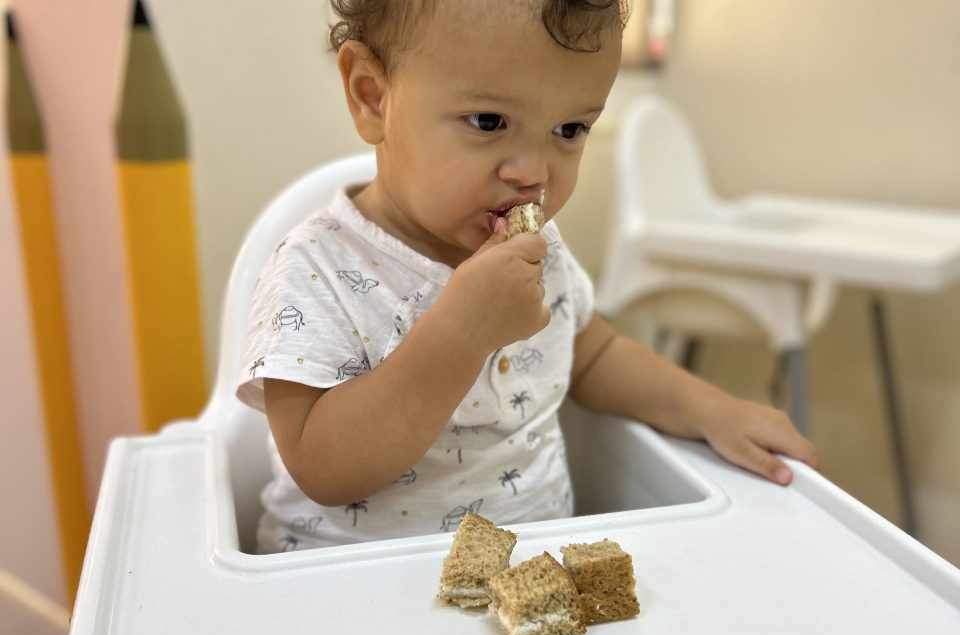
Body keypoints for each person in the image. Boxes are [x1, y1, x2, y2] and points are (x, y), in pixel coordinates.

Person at [237, 0, 818, 553]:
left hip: (531, 575)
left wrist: (710, 409)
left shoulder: (542, 251)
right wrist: (462, 332)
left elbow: (596, 357)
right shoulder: (316, 268)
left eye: (569, 130)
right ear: (372, 96)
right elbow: (323, 468)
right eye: (489, 121)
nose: (533, 173)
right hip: (346, 594)